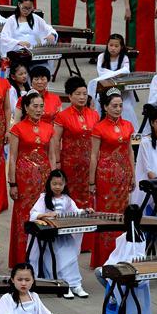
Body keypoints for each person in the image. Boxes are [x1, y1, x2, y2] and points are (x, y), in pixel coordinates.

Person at [89, 88, 136, 267]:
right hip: (105, 177)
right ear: (106, 107)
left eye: (120, 106)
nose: (118, 109)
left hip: (123, 175)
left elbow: (130, 151)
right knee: (106, 214)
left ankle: (121, 254)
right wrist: (91, 181)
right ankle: (104, 257)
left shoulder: (128, 125)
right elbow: (94, 155)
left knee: (123, 213)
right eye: (114, 106)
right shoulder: (99, 127)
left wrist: (132, 174)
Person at [8, 91, 53, 268]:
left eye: (41, 106)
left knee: (43, 215)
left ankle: (42, 259)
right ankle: (22, 258)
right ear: (26, 108)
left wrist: (55, 182)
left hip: (44, 179)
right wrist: (12, 183)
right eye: (35, 106)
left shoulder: (49, 128)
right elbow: (12, 157)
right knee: (24, 217)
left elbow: (52, 155)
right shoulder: (17, 129)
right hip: (24, 181)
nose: (39, 109)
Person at [27, 170, 89, 298]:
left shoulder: (67, 199)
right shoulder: (44, 198)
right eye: (54, 184)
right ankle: (64, 285)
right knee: (60, 256)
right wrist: (45, 215)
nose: (57, 187)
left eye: (60, 184)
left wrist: (85, 211)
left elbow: (75, 212)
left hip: (63, 235)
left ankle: (76, 285)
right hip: (50, 237)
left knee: (70, 254)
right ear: (49, 183)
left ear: (65, 184)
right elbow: (33, 214)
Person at [51, 76, 100, 219]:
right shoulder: (62, 116)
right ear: (70, 96)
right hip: (71, 165)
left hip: (90, 164)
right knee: (71, 198)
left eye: (84, 94)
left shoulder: (94, 115)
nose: (82, 97)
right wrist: (58, 163)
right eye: (78, 94)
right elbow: (55, 140)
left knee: (89, 197)